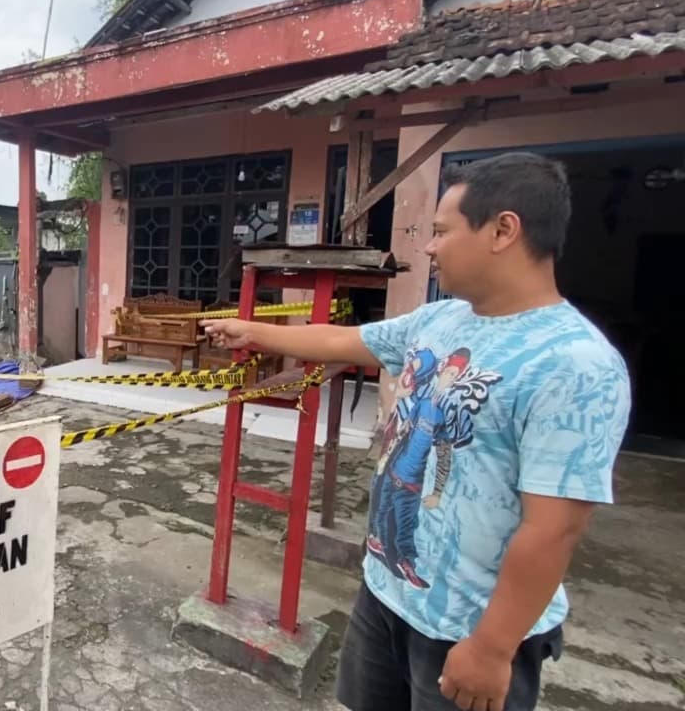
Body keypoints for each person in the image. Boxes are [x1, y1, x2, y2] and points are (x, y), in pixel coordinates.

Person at [201, 152, 631, 711]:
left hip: (468, 628)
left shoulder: (574, 364)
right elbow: (344, 343)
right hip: (388, 594)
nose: (428, 248)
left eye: (441, 232)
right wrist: (249, 330)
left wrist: (493, 648)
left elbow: (553, 530)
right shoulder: (442, 319)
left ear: (503, 230)